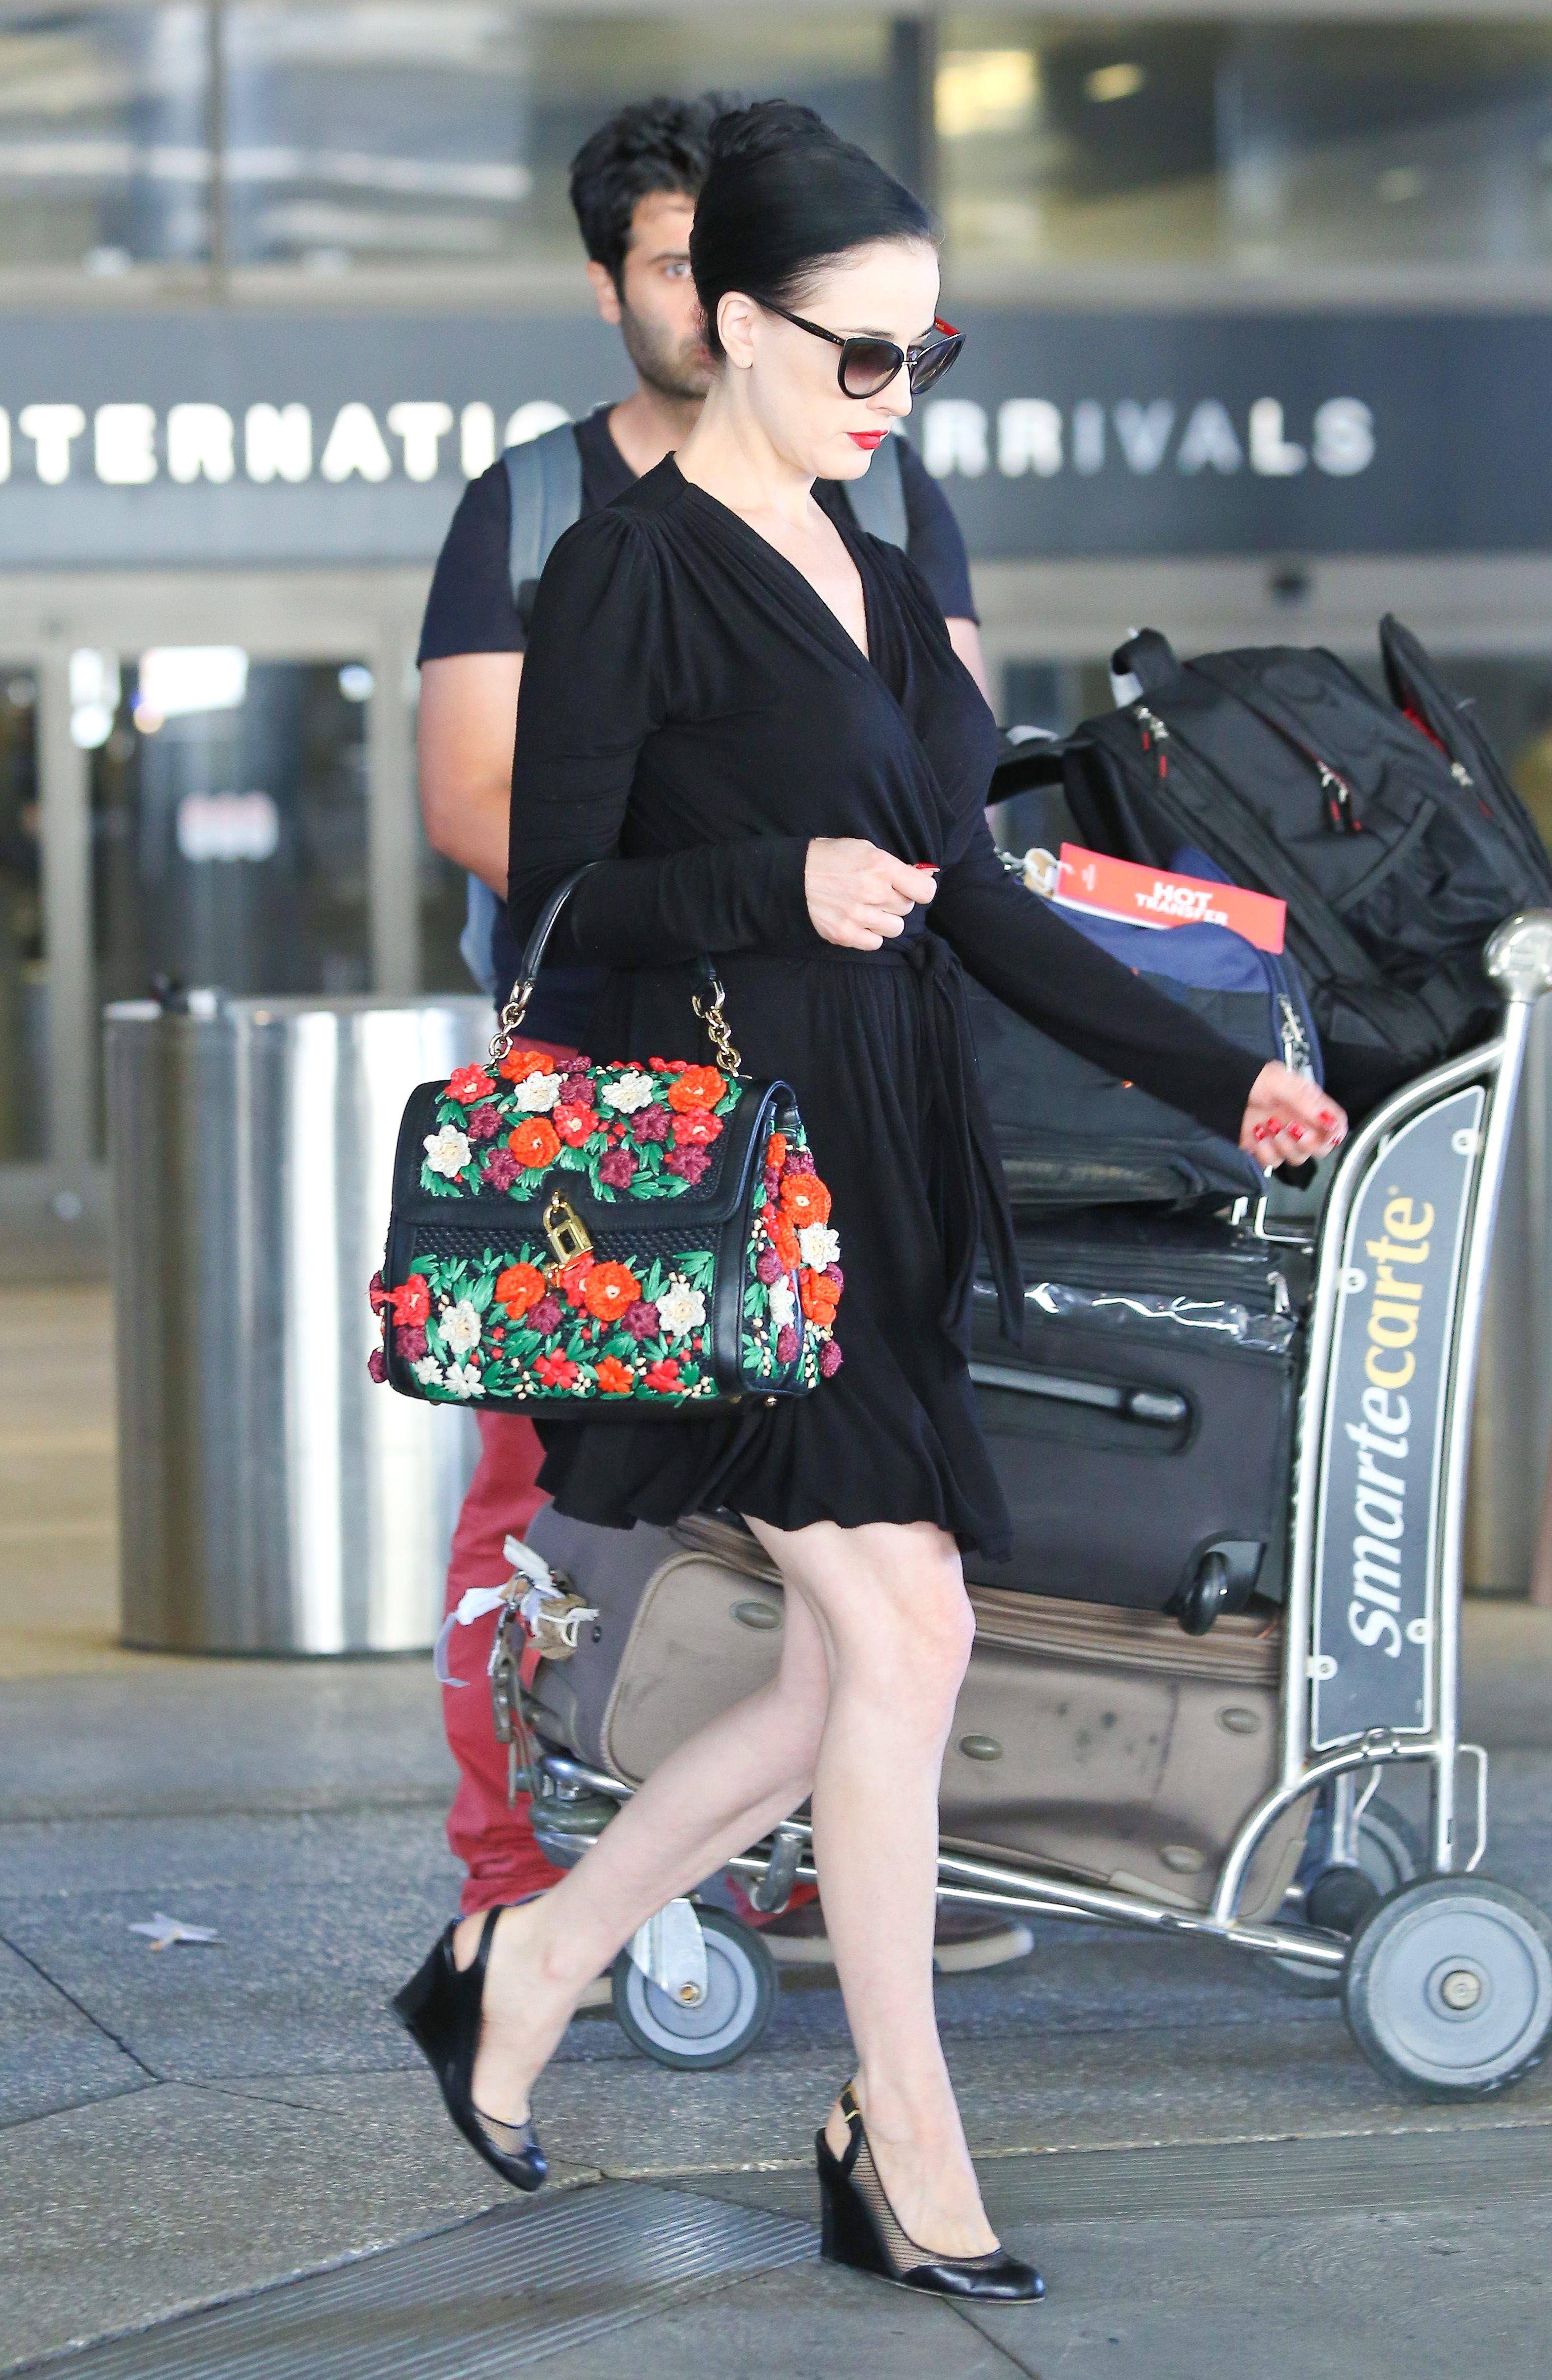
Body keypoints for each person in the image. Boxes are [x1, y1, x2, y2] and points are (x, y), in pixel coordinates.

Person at [395, 100, 1347, 2298]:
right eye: (858, 353)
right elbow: (558, 905)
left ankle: (526, 1960)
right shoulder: (619, 564)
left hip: (887, 1179)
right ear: (730, 322)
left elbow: (981, 900)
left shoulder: (895, 577)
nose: (892, 396)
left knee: (856, 1673)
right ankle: (900, 2128)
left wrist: (1231, 1073)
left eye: (929, 356)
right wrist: (770, 884)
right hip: (736, 1182)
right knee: (903, 1632)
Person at [415, 93, 1008, 1955]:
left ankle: (604, 1939)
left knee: (870, 1628)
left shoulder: (887, 513)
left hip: (858, 1114)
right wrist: (774, 868)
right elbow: (508, 837)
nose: (702, 292)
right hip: (643, 1124)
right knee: (564, 1518)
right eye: (673, 263)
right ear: (638, 292)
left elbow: (948, 812)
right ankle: (522, 1893)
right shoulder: (554, 516)